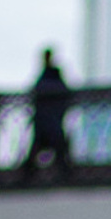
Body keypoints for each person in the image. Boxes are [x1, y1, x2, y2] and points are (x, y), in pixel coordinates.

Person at [28, 46, 73, 178]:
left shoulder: (51, 75)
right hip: (46, 119)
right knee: (52, 145)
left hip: (49, 118)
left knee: (55, 145)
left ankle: (63, 172)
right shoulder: (48, 75)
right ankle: (62, 172)